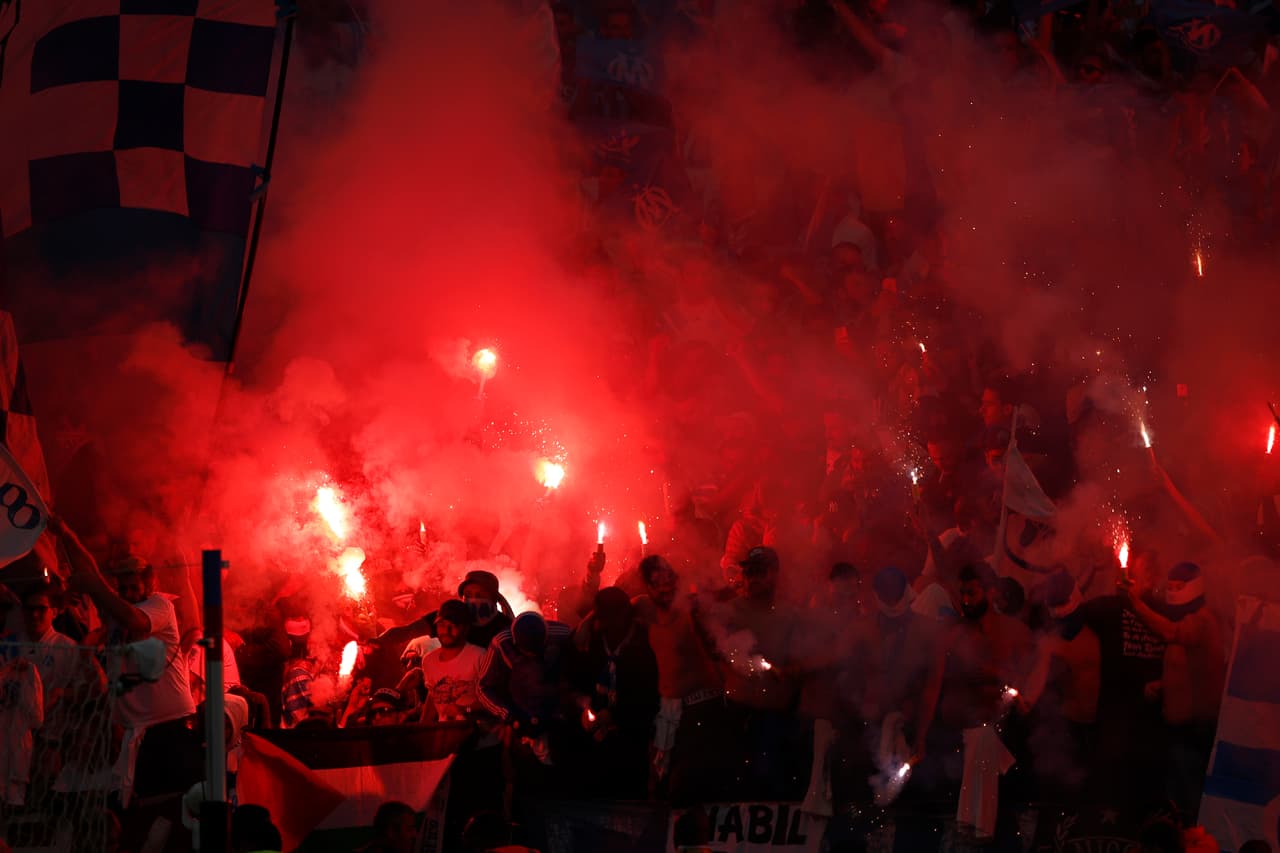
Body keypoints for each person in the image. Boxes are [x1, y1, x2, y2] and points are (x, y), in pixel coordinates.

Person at [53, 516, 200, 805]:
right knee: (138, 813)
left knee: (171, 810)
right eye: (124, 589)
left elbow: (135, 621)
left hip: (170, 727)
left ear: (150, 584)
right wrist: (67, 534)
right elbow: (90, 572)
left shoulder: (160, 606)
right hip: (134, 734)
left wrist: (94, 587)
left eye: (135, 588)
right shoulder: (114, 610)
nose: (130, 595)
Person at [1127, 561, 1226, 818]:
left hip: (1194, 731)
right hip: (1178, 730)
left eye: (1178, 587)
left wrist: (1137, 604)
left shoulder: (1202, 621)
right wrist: (1162, 685)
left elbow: (1172, 632)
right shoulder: (1190, 621)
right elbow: (1190, 668)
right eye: (1169, 587)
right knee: (1175, 799)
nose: (1172, 592)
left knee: (1188, 803)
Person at [630, 555, 729, 805]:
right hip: (670, 712)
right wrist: (587, 625)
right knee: (662, 784)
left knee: (692, 785)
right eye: (657, 582)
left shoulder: (693, 611)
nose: (665, 587)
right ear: (649, 588)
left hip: (702, 709)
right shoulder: (645, 610)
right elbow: (613, 605)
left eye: (669, 579)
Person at [567, 586, 659, 799]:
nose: (605, 624)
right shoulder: (592, 639)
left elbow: (649, 693)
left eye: (610, 618)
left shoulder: (644, 642)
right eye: (601, 618)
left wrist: (616, 715)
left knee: (630, 793)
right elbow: (576, 679)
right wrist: (583, 706)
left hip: (633, 735)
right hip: (597, 732)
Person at [1018, 571, 1100, 796]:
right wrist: (1027, 700)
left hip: (1090, 729)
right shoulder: (1052, 642)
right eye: (1054, 606)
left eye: (1062, 603)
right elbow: (1039, 672)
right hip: (1068, 729)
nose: (1058, 611)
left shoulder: (1093, 632)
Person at [476, 611, 573, 767]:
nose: (532, 656)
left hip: (555, 715)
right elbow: (482, 688)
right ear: (514, 642)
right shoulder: (501, 642)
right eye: (525, 651)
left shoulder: (563, 634)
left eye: (537, 650)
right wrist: (508, 715)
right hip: (519, 716)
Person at [419, 599, 485, 721]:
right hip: (446, 734)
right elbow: (433, 696)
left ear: (466, 628)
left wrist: (465, 709)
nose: (446, 631)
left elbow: (494, 700)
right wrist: (422, 729)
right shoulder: (428, 661)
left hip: (478, 734)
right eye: (442, 624)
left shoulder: (479, 656)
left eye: (453, 625)